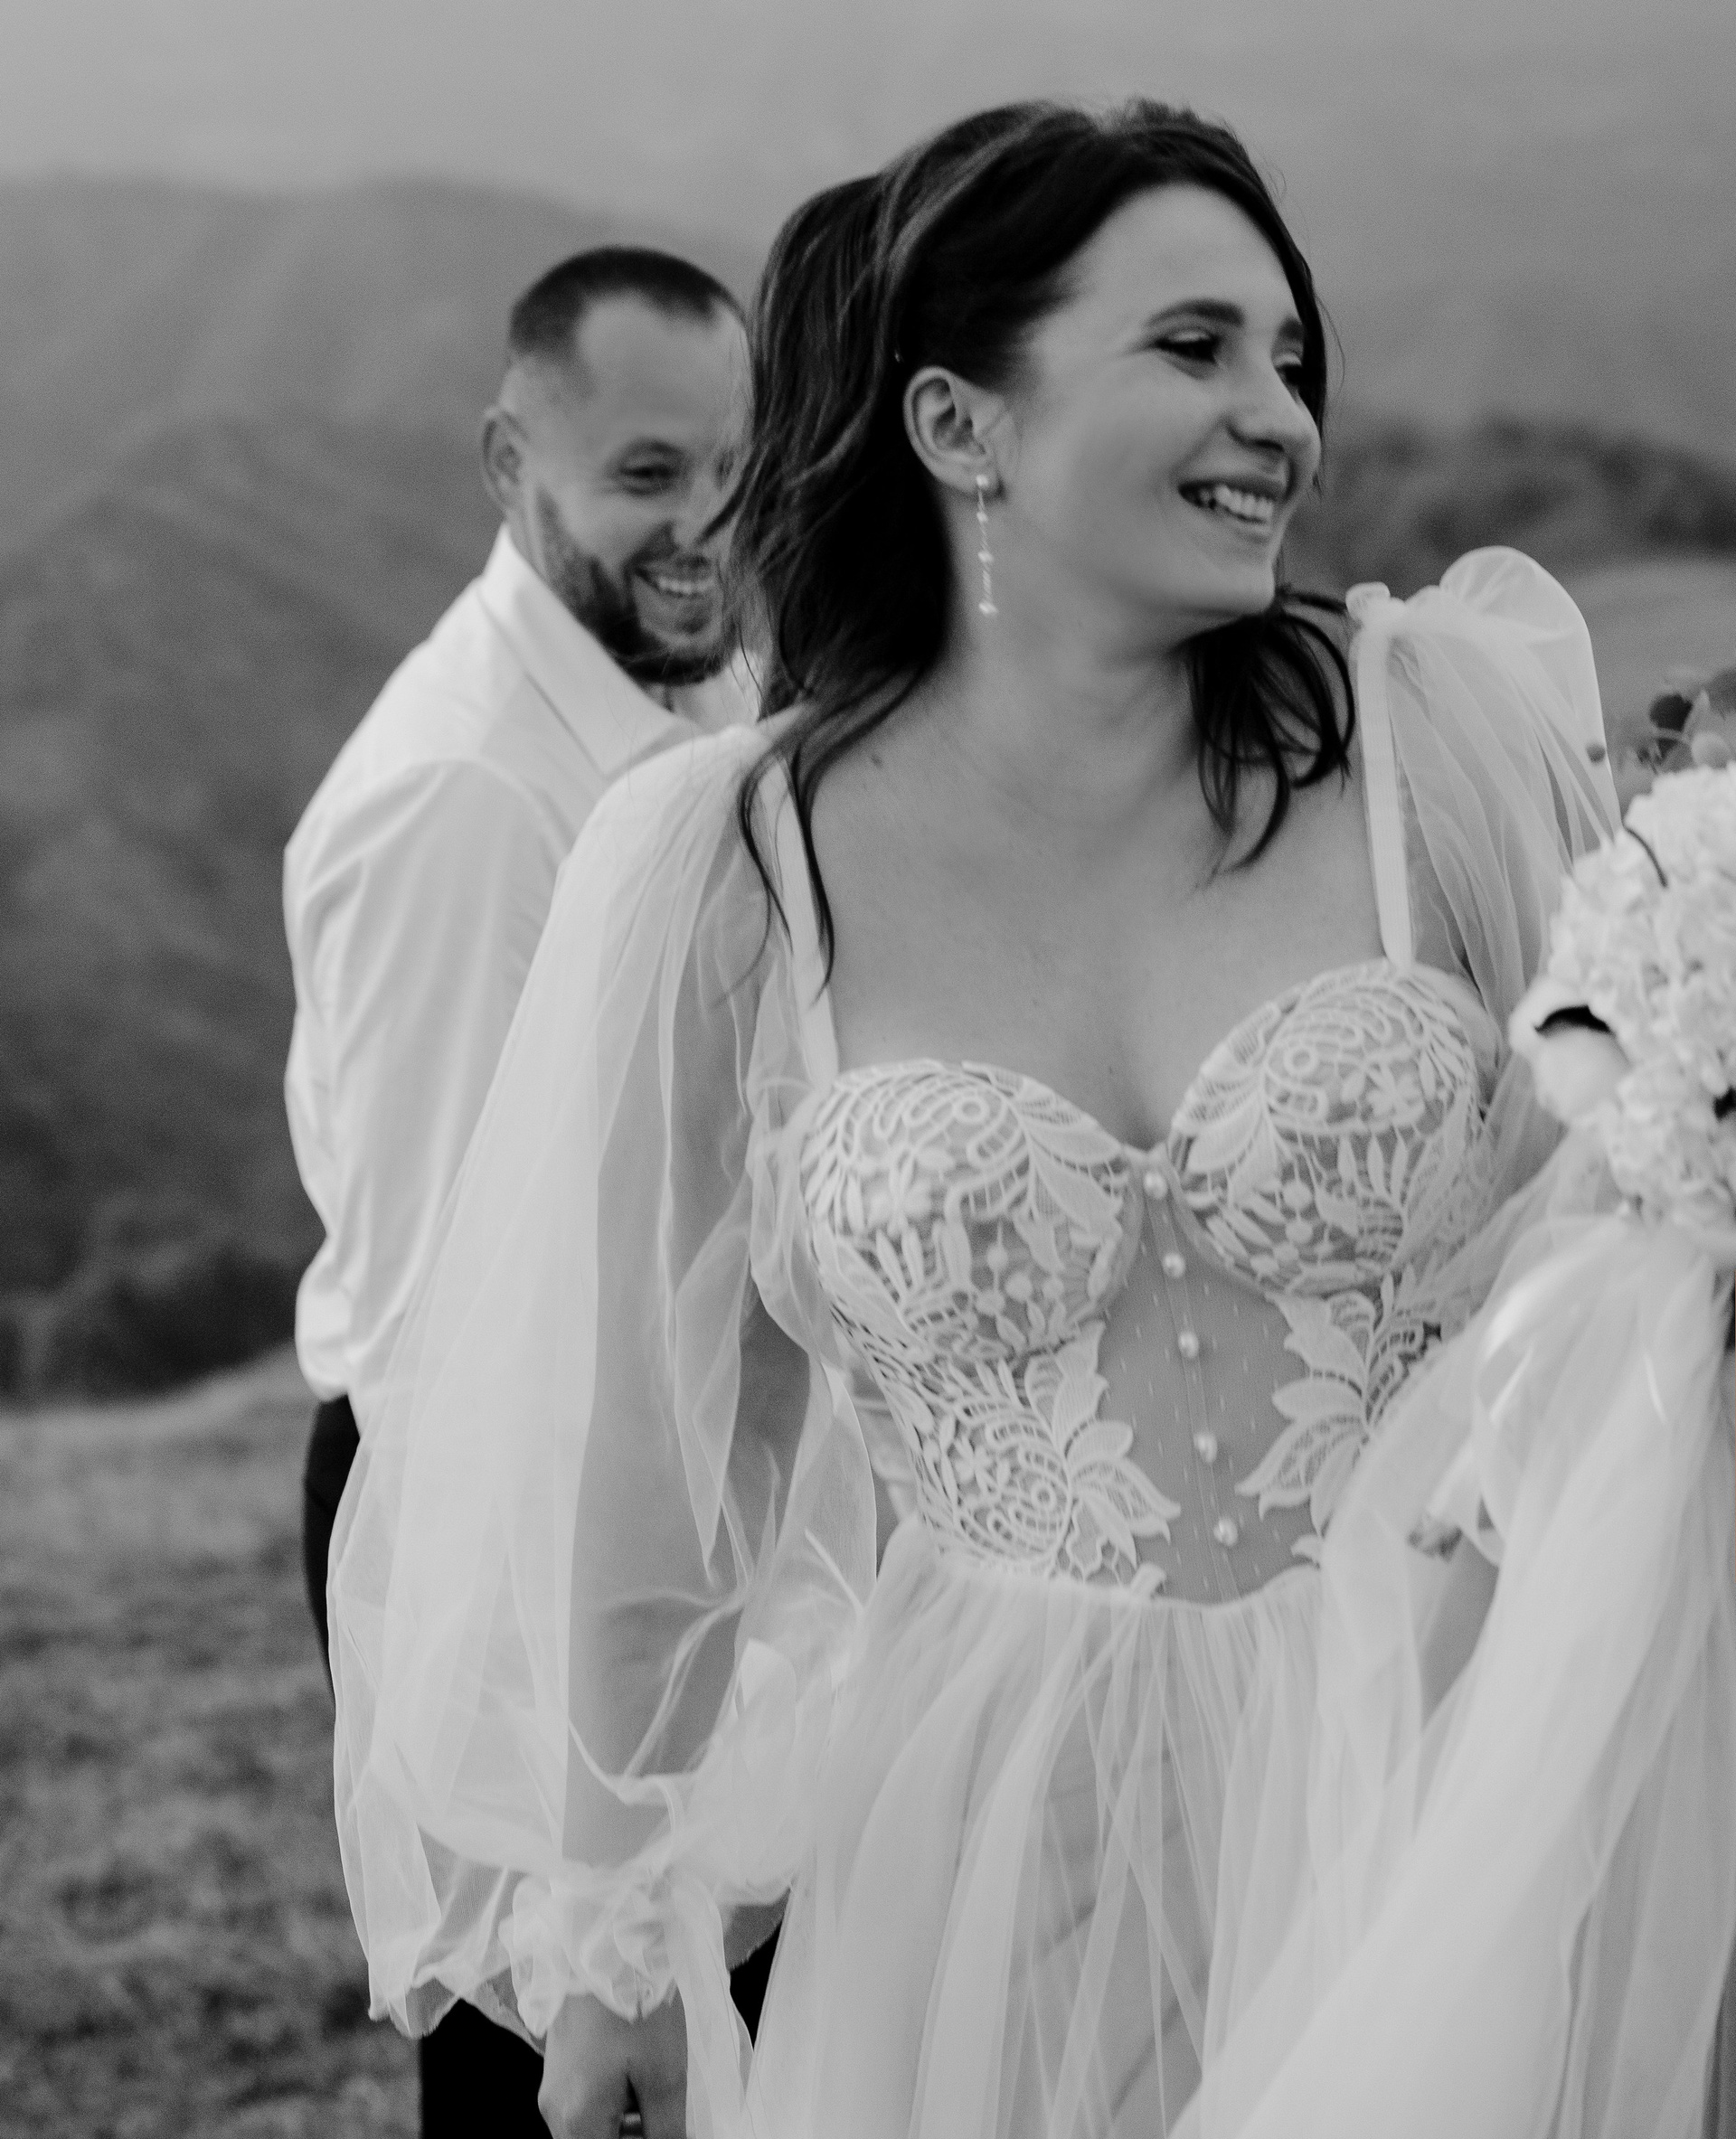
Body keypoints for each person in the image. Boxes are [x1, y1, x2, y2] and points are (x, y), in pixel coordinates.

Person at [328, 105, 1736, 2137]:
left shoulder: (1436, 737)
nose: (1278, 417)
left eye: (1289, 356)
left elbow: (1635, 1226)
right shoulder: (730, 865)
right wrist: (619, 1939)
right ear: (957, 424)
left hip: (1459, 1767)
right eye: (1193, 346)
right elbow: (654, 1460)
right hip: (999, 1846)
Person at [286, 243, 757, 2134]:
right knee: (557, 2081)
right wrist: (584, 1857)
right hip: (501, 1530)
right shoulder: (468, 803)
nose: (706, 521)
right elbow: (442, 1346)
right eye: (647, 475)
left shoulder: (688, 690)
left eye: (733, 465)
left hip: (669, 1495)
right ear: (509, 464)